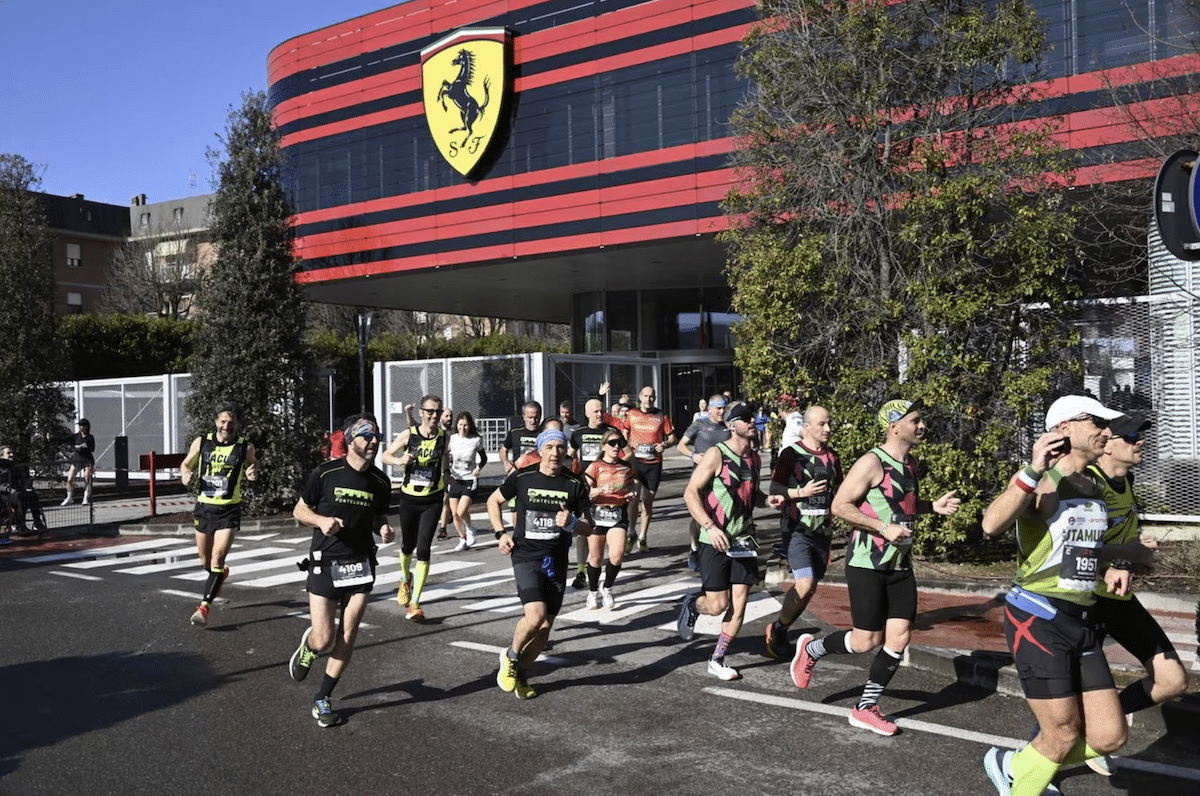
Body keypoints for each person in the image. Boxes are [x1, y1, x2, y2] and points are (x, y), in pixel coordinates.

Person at [978, 396, 1152, 795]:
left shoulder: (1090, 483)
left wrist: (1113, 565)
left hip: (1083, 619)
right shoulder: (1042, 481)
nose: (1106, 432)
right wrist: (1031, 469)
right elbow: (991, 524)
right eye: (1097, 422)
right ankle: (1026, 779)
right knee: (1061, 735)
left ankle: (1016, 763)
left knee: (1110, 736)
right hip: (1039, 618)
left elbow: (1078, 548)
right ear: (1064, 428)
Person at [788, 399, 960, 736]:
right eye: (915, 420)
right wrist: (883, 529)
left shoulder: (910, 464)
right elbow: (840, 506)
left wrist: (932, 507)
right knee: (866, 641)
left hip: (900, 563)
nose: (922, 425)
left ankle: (865, 707)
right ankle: (812, 649)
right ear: (894, 426)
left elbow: (900, 507)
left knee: (899, 637)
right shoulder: (872, 462)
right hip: (867, 562)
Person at [1081, 413, 1187, 776]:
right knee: (1063, 713)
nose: (1140, 441)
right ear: (1106, 444)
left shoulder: (1127, 482)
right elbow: (1064, 550)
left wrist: (1133, 552)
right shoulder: (1086, 485)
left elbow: (1117, 541)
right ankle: (1025, 768)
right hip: (1083, 604)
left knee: (1172, 679)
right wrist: (1109, 566)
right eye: (1130, 436)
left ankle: (1106, 721)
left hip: (1118, 601)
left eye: (1140, 435)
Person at [287, 414, 394, 727]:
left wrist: (384, 528)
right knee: (324, 639)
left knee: (348, 635)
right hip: (326, 559)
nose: (373, 442)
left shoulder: (380, 481)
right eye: (366, 436)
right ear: (350, 439)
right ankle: (310, 647)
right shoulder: (325, 473)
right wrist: (321, 522)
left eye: (377, 436)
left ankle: (322, 697)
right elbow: (299, 509)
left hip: (361, 563)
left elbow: (377, 515)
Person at [676, 401, 786, 681]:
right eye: (745, 418)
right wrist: (710, 526)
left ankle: (718, 658)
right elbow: (691, 493)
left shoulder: (755, 458)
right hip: (714, 539)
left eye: (754, 418)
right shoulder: (717, 455)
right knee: (716, 605)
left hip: (744, 539)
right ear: (730, 425)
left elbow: (752, 495)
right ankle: (692, 604)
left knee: (740, 602)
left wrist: (767, 501)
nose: (752, 421)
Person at [487, 428, 592, 699]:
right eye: (550, 447)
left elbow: (589, 527)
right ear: (540, 450)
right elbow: (493, 500)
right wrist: (500, 534)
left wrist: (572, 524)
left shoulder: (575, 483)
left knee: (544, 631)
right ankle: (510, 657)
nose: (555, 453)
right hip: (526, 555)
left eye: (560, 447)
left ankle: (521, 674)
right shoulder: (523, 477)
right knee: (535, 616)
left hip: (554, 560)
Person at [763, 405, 843, 660]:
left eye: (829, 423)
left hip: (822, 532)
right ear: (806, 427)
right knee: (804, 583)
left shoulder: (832, 457)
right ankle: (778, 631)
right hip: (797, 530)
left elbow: (841, 490)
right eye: (822, 424)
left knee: (809, 589)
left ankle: (779, 628)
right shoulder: (791, 454)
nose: (828, 429)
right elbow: (775, 487)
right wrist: (800, 493)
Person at [179, 405, 258, 628]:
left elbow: (252, 464)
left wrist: (252, 472)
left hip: (229, 509)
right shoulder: (202, 442)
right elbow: (186, 462)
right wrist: (186, 473)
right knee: (205, 560)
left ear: (237, 424)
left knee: (217, 557)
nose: (226, 426)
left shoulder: (244, 446)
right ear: (216, 422)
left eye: (231, 422)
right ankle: (219, 575)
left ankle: (204, 607)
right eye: (223, 422)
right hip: (204, 507)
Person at [381, 394, 450, 621]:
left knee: (424, 549)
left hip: (432, 499)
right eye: (429, 411)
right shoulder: (409, 435)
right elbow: (385, 455)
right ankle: (404, 578)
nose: (433, 416)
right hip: (410, 498)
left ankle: (416, 603)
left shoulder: (443, 437)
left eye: (437, 412)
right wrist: (400, 461)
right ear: (421, 412)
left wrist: (447, 485)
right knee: (407, 546)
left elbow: (444, 462)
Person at [568, 396, 626, 587]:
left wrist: (624, 473)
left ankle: (600, 564)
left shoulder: (612, 433)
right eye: (595, 411)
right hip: (586, 487)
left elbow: (627, 453)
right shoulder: (578, 433)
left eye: (601, 410)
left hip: (609, 489)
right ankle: (581, 570)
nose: (600, 414)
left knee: (604, 533)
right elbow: (571, 455)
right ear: (586, 414)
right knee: (584, 529)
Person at [582, 427, 636, 609]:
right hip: (597, 515)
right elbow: (585, 491)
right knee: (596, 559)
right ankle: (592, 592)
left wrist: (630, 494)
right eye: (612, 443)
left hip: (617, 514)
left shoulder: (626, 467)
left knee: (617, 555)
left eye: (619, 443)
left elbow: (632, 487)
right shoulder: (595, 466)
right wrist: (600, 490)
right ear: (604, 446)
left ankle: (607, 587)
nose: (616, 446)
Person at [676, 394, 730, 570]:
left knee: (723, 514)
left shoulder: (729, 426)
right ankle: (694, 548)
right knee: (698, 516)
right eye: (718, 408)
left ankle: (720, 548)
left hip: (722, 478)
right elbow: (681, 445)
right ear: (710, 408)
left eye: (724, 408)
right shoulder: (699, 424)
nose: (721, 412)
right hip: (700, 477)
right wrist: (693, 455)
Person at [623, 385, 676, 553]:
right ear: (640, 397)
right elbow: (624, 432)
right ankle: (631, 531)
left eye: (651, 396)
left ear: (655, 398)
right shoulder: (632, 414)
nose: (648, 399)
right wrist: (627, 449)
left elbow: (673, 437)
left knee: (647, 503)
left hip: (653, 464)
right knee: (633, 498)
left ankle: (643, 536)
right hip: (636, 462)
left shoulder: (661, 415)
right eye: (645, 396)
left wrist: (665, 444)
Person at [447, 411, 487, 551]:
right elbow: (445, 456)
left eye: (465, 425)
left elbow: (484, 458)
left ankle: (470, 529)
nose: (462, 428)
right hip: (455, 479)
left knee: (461, 510)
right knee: (454, 514)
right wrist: (447, 467)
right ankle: (462, 538)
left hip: (470, 479)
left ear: (470, 426)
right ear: (456, 425)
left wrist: (478, 468)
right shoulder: (452, 439)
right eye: (460, 425)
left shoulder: (476, 439)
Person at [0, 445, 46, 537]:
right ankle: (20, 524)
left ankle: (37, 522)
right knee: (20, 497)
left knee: (32, 494)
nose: (11, 455)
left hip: (18, 491)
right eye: (8, 453)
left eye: (12, 452)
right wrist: (10, 489)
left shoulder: (15, 465)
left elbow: (21, 480)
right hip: (5, 492)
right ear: (1, 456)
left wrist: (25, 487)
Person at [61, 418, 95, 506]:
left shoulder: (90, 437)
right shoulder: (76, 436)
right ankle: (69, 497)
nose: (81, 427)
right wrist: (52, 438)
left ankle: (86, 497)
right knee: (70, 478)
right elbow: (64, 439)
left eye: (82, 425)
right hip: (77, 459)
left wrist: (84, 447)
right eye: (80, 425)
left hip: (87, 459)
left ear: (86, 426)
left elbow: (92, 449)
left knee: (87, 477)